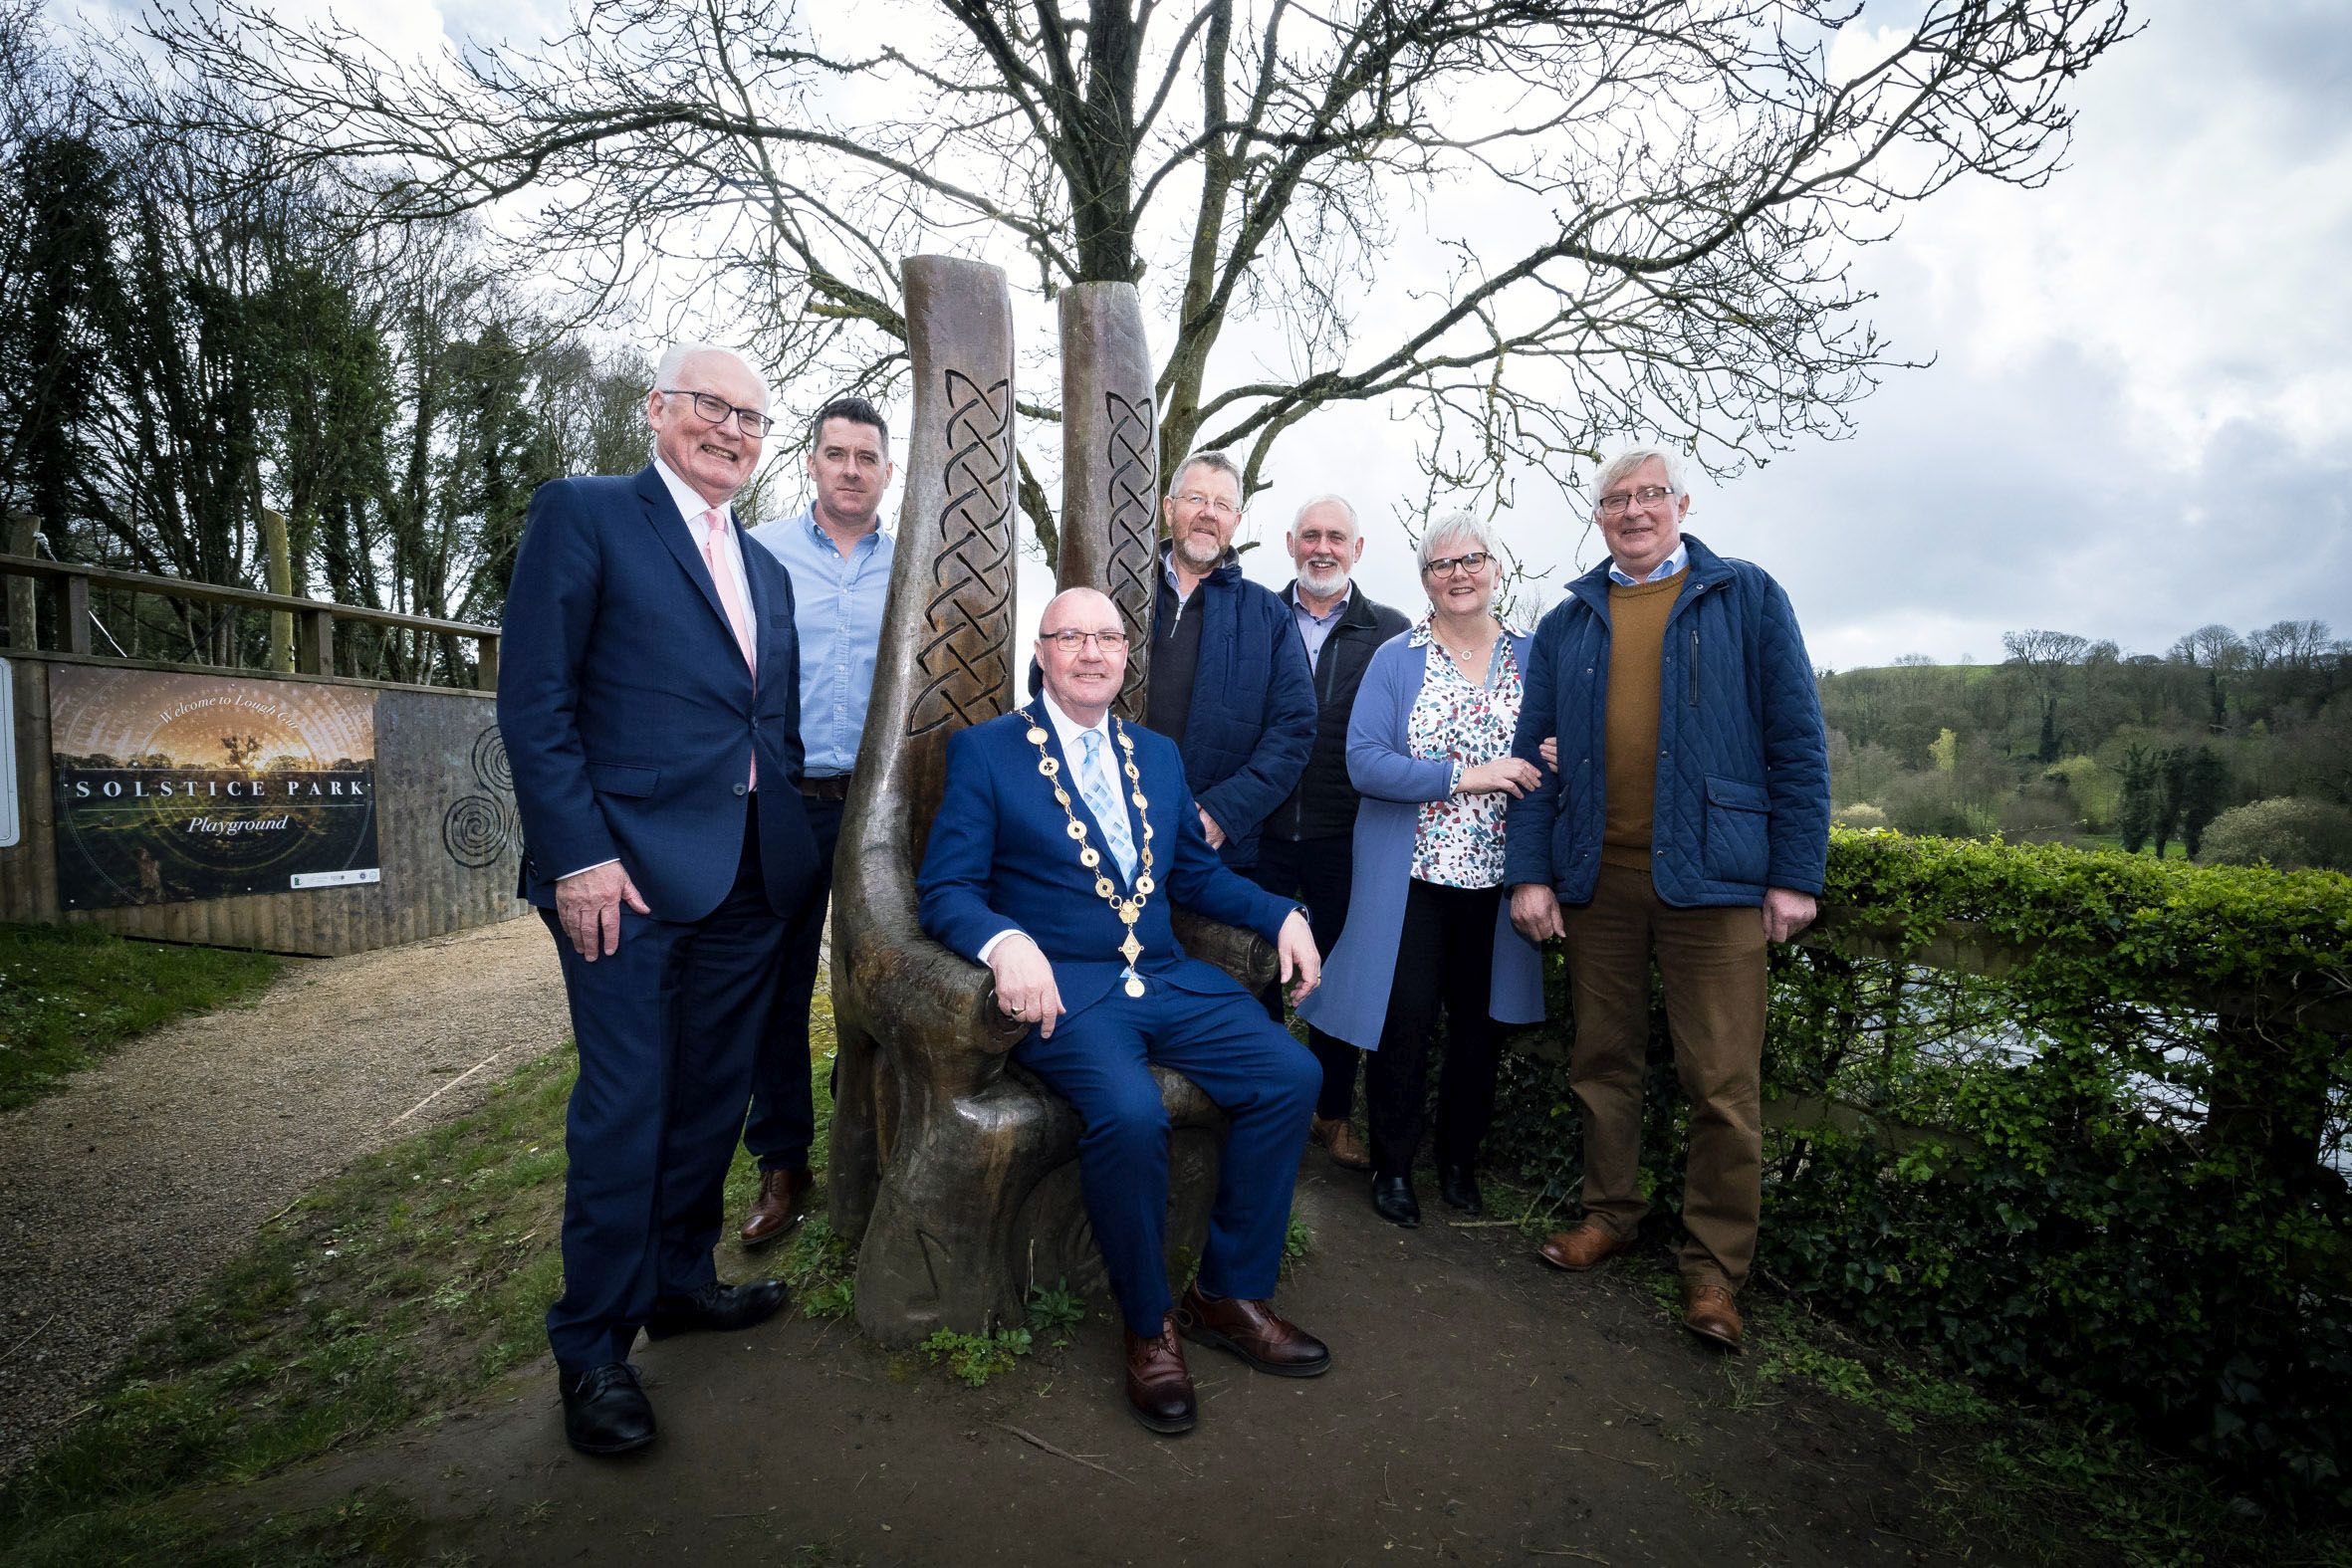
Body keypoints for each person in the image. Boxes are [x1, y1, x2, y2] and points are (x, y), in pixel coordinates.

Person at [499, 343, 821, 1455]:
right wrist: (579, 854)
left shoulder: (767, 570)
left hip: (744, 879)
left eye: (752, 417)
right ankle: (591, 1348)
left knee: (706, 1103)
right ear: (658, 411)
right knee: (628, 1107)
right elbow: (534, 703)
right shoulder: (584, 515)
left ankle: (680, 1284)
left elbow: (761, 721)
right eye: (712, 407)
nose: (732, 430)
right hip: (621, 881)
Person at [918, 587, 1330, 1436]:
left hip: (1167, 980)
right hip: (1067, 993)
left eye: (1108, 636)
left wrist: (1278, 912)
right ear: (1043, 652)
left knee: (1292, 1073)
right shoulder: (988, 752)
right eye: (1073, 636)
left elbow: (1195, 879)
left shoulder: (1158, 755)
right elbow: (946, 890)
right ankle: (1149, 1326)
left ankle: (1227, 1293)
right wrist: (1004, 943)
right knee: (1132, 1112)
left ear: (1125, 655)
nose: (1093, 651)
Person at [1504, 445, 1829, 1353]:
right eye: (1617, 499)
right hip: (1597, 877)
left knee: (1722, 1083)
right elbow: (1534, 759)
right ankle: (1609, 1214)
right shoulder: (1572, 618)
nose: (1635, 511)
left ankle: (1714, 1274)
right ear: (1599, 514)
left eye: (1651, 495)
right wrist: (1531, 871)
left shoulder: (1746, 596)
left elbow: (1798, 743)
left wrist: (1796, 873)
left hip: (1718, 881)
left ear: (1682, 503)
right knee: (1601, 1062)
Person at [1300, 516, 1546, 1227]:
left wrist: (1556, 754)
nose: (1458, 573)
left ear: (1495, 568)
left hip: (1500, 884)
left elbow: (1557, 751)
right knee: (1403, 1024)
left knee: (1480, 1029)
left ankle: (1461, 1163)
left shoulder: (1534, 657)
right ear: (1424, 580)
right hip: (1409, 877)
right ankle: (1395, 1165)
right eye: (1441, 564)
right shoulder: (1395, 658)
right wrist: (1467, 776)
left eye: (1471, 559)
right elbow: (1365, 761)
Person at [737, 395, 896, 1247]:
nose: (849, 469)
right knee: (778, 982)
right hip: (786, 800)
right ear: (810, 462)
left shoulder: (914, 564)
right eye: (835, 453)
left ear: (887, 471)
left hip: (882, 806)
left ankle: (872, 1124)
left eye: (865, 457)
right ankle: (784, 1159)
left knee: (887, 975)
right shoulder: (759, 552)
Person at [1252, 495, 1410, 1172]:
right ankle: (1259, 1097)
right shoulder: (1256, 616)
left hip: (1346, 836)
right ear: (1290, 542)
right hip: (1257, 830)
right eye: (1310, 535)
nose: (1322, 547)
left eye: (1335, 537)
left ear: (1358, 548)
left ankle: (1333, 1115)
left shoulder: (1393, 632)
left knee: (1339, 978)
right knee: (1252, 966)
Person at [1145, 451, 1316, 870]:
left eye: (1222, 505)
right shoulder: (1120, 591)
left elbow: (1294, 728)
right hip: (1102, 828)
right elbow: (1054, 680)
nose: (1208, 514)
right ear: (1169, 509)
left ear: (1236, 522)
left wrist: (1224, 812)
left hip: (1212, 848)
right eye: (1196, 499)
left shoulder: (1268, 615)